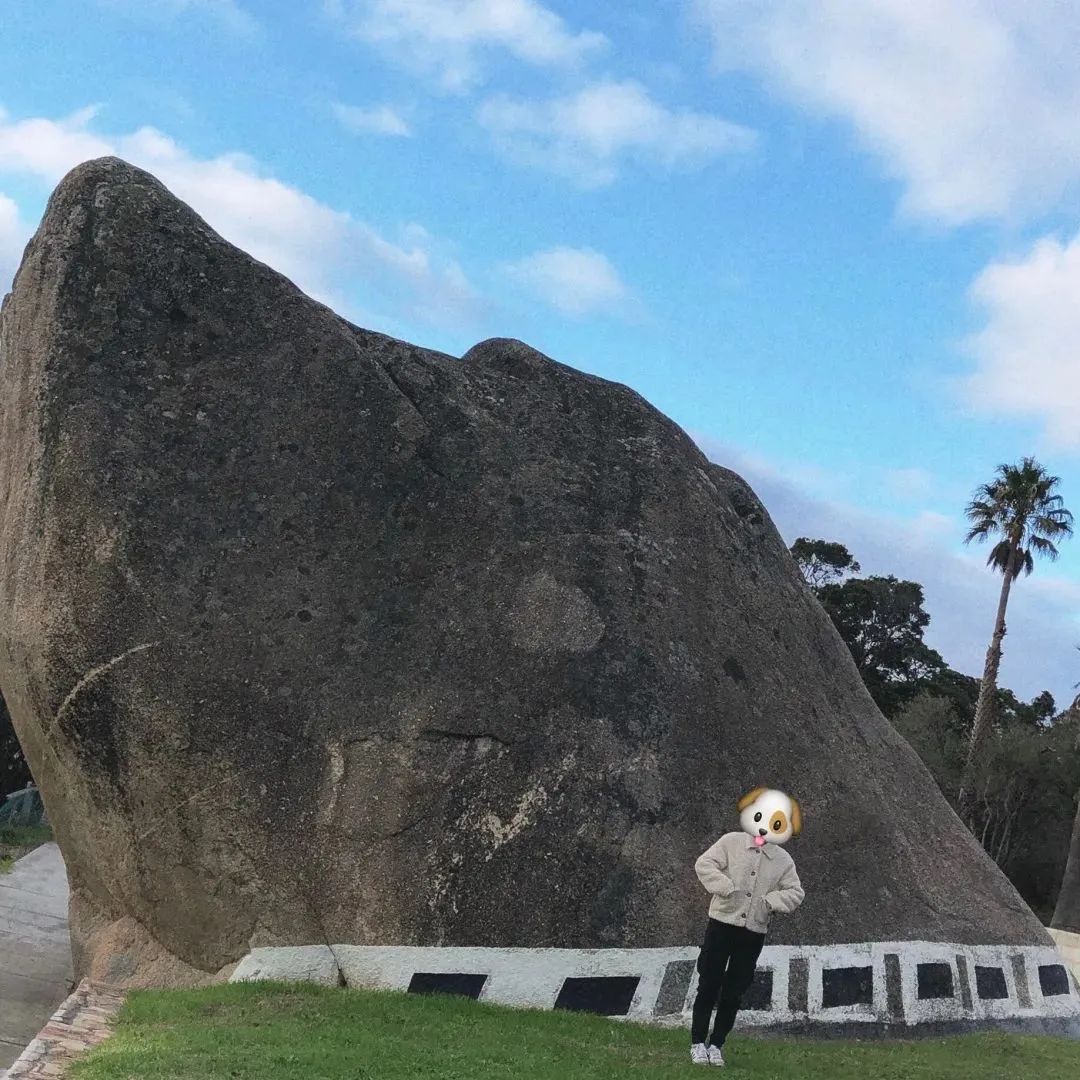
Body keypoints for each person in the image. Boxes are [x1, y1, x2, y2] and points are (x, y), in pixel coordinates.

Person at [689, 786, 805, 1066]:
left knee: (735, 989)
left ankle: (717, 1044)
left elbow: (796, 892)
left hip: (753, 933)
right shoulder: (731, 842)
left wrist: (770, 902)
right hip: (721, 924)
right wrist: (725, 887)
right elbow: (704, 864)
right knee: (708, 983)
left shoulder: (782, 860)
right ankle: (697, 1043)